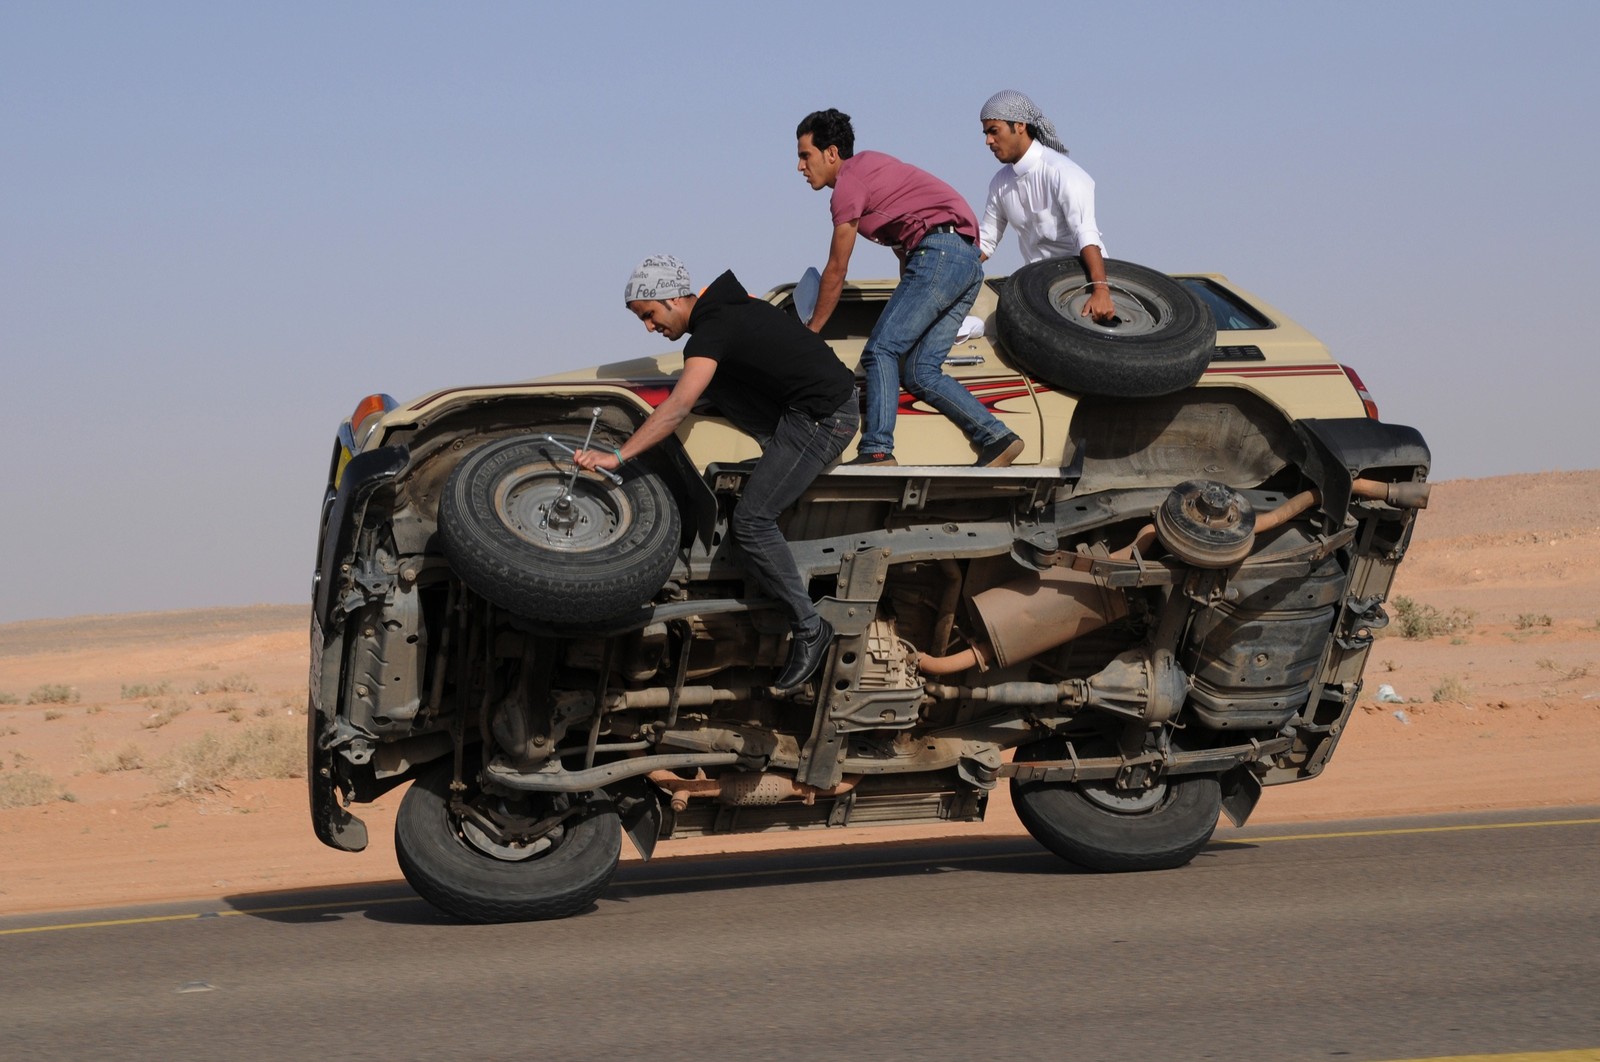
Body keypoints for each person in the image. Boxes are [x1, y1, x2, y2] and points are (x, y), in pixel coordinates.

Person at [574, 254, 858, 692]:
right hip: (795, 410)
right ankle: (775, 453)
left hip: (824, 418)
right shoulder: (730, 310)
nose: (650, 328)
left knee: (752, 522)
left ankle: (809, 627)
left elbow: (678, 407)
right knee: (713, 382)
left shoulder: (714, 328)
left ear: (670, 298)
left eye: (649, 315)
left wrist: (618, 455)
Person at [796, 107, 1023, 469]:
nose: (800, 167)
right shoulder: (874, 171)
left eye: (805, 155)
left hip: (941, 254)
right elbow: (907, 253)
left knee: (880, 350)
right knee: (920, 371)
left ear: (832, 153)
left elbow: (836, 269)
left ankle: (877, 450)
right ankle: (997, 437)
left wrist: (811, 333)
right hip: (964, 260)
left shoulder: (849, 184)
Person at [978, 89, 1115, 324]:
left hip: (1083, 287)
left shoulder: (1062, 172)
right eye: (986, 133)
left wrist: (1101, 290)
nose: (988, 141)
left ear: (1019, 125)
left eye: (994, 131)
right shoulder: (1000, 183)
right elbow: (986, 242)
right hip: (1039, 290)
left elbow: (1086, 233)